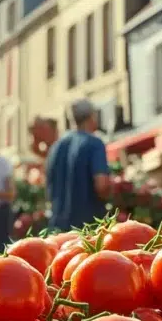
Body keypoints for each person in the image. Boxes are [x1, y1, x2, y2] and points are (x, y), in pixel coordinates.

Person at [45, 99, 110, 232]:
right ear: (92, 117)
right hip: (87, 228)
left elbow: (48, 188)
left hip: (58, 227)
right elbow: (102, 185)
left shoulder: (56, 147)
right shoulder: (94, 143)